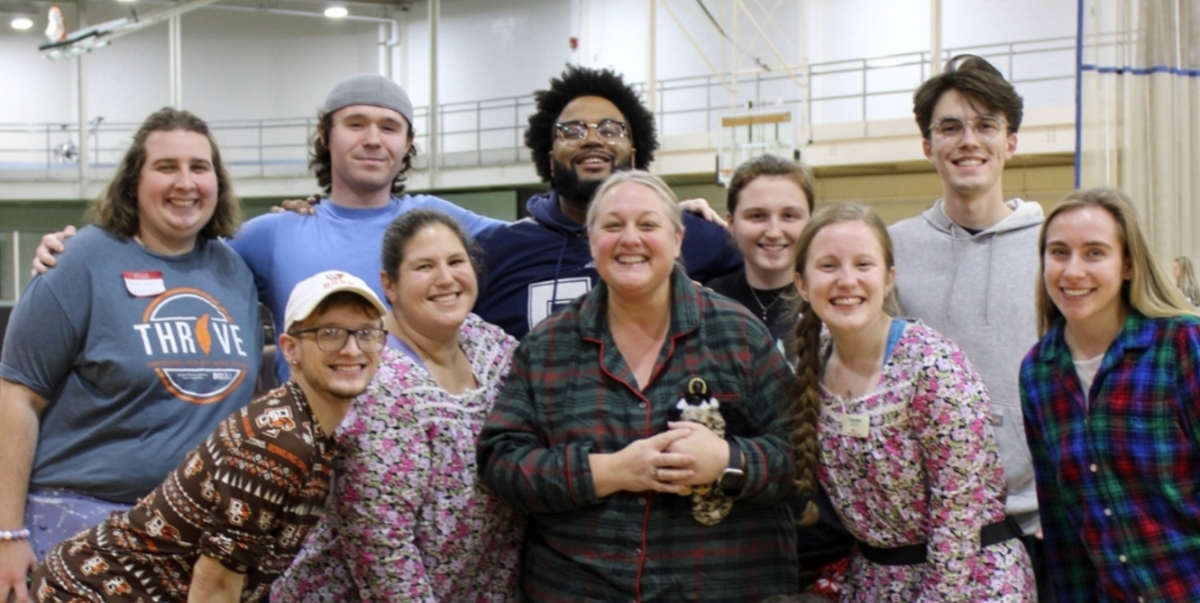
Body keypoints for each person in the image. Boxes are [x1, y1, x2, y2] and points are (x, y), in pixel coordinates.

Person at [477, 171, 806, 601]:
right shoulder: (547, 346)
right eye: (613, 226)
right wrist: (611, 472)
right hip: (579, 587)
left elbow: (801, 456)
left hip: (726, 584)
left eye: (648, 225)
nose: (630, 239)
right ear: (591, 242)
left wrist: (728, 460)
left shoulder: (738, 333)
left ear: (677, 239)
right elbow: (501, 461)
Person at [0, 107, 263, 603]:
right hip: (78, 524)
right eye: (166, 167)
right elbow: (16, 395)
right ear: (133, 182)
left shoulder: (234, 272)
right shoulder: (80, 260)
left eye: (199, 167)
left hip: (197, 539)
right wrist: (6, 534)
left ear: (218, 182)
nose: (185, 183)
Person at [29, 270, 387, 602]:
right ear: (290, 348)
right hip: (92, 591)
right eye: (330, 334)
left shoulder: (316, 429)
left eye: (367, 333)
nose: (352, 349)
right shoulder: (278, 443)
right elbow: (214, 587)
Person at [272, 209, 523, 602]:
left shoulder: (490, 346)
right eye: (425, 266)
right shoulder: (373, 380)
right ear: (389, 284)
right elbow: (383, 553)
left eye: (456, 262)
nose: (445, 278)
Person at [791, 202, 1034, 602]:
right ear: (802, 283)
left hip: (971, 580)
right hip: (876, 579)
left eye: (863, 264)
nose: (847, 280)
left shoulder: (932, 365)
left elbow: (958, 516)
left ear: (889, 279)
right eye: (828, 265)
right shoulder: (812, 363)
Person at [888, 54, 1045, 589]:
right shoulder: (892, 249)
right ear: (929, 146)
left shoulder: (1054, 247)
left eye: (986, 125)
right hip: (927, 527)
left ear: (1011, 141)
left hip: (1035, 520)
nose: (968, 140)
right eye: (950, 127)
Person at [1021, 187, 1200, 603]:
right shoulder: (1038, 372)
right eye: (1059, 252)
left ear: (1128, 266)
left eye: (1095, 253)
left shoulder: (1181, 346)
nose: (1072, 271)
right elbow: (1063, 526)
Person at [474, 65, 741, 338]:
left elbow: (772, 285)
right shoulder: (494, 252)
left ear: (634, 157)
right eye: (572, 131)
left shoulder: (695, 234)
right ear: (551, 160)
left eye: (610, 129)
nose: (591, 139)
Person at [705, 153, 853, 599]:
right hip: (732, 542)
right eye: (756, 216)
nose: (774, 230)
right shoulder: (705, 303)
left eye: (790, 215)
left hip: (829, 541)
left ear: (811, 221)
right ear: (729, 223)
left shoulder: (843, 301)